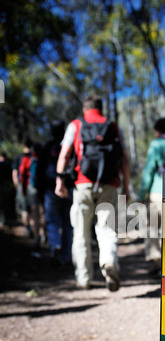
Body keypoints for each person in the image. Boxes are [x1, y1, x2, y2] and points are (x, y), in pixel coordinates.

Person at [55, 94, 130, 291]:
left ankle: (83, 278)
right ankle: (109, 261)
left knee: (80, 231)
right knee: (107, 228)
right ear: (101, 109)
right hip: (109, 184)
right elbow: (125, 159)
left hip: (82, 184)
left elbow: (64, 154)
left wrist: (59, 181)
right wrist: (126, 187)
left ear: (84, 109)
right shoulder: (113, 127)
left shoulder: (76, 125)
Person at [138, 117, 165, 275]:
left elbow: (149, 171)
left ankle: (157, 262)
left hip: (157, 193)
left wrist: (141, 194)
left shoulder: (156, 144)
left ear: (157, 131)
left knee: (152, 227)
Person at [38, 120, 73, 267]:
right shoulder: (69, 146)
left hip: (50, 189)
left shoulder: (47, 147)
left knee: (52, 220)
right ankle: (65, 256)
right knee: (67, 222)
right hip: (68, 188)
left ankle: (55, 245)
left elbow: (40, 170)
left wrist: (40, 190)